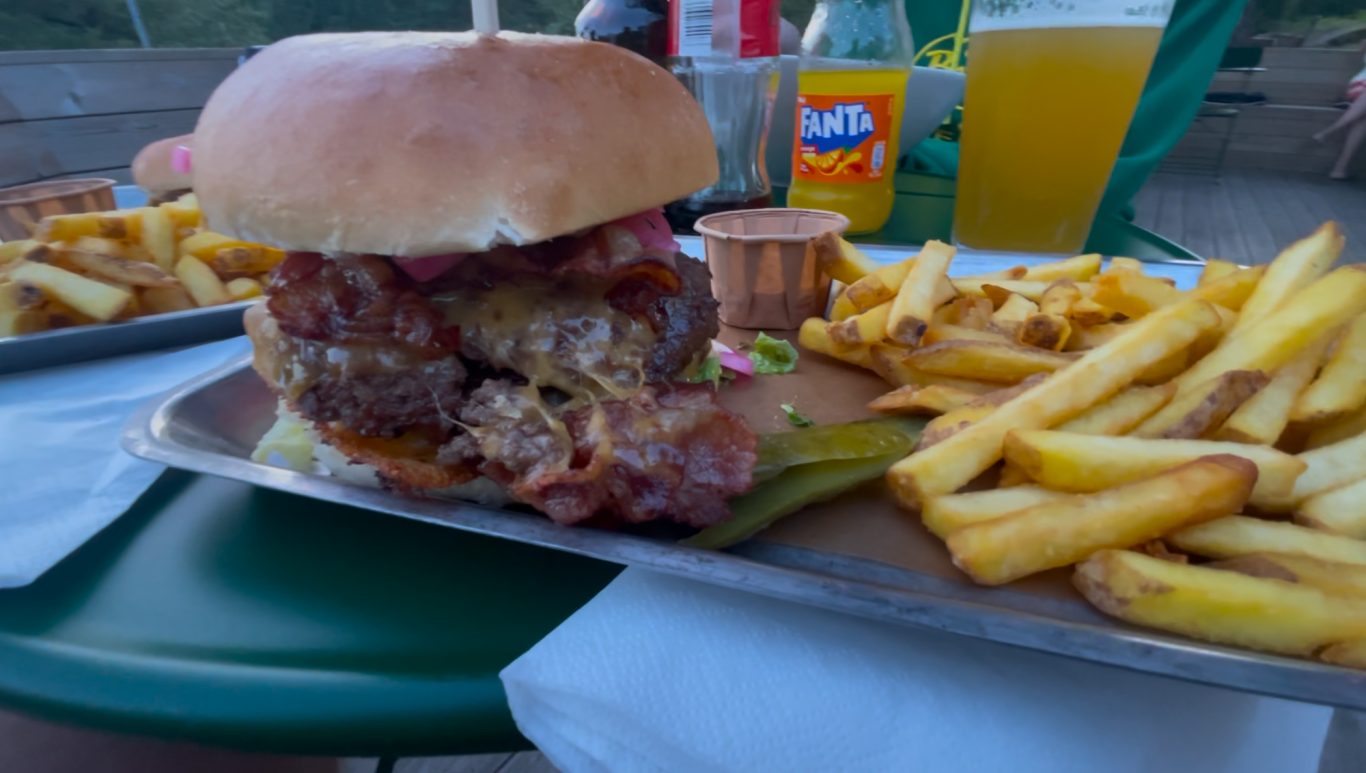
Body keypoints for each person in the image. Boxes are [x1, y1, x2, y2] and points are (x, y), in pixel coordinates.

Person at [1312, 41, 1366, 180]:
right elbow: (1361, 47)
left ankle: (1339, 168)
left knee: (1362, 120)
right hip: (1361, 86)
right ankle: (1327, 132)